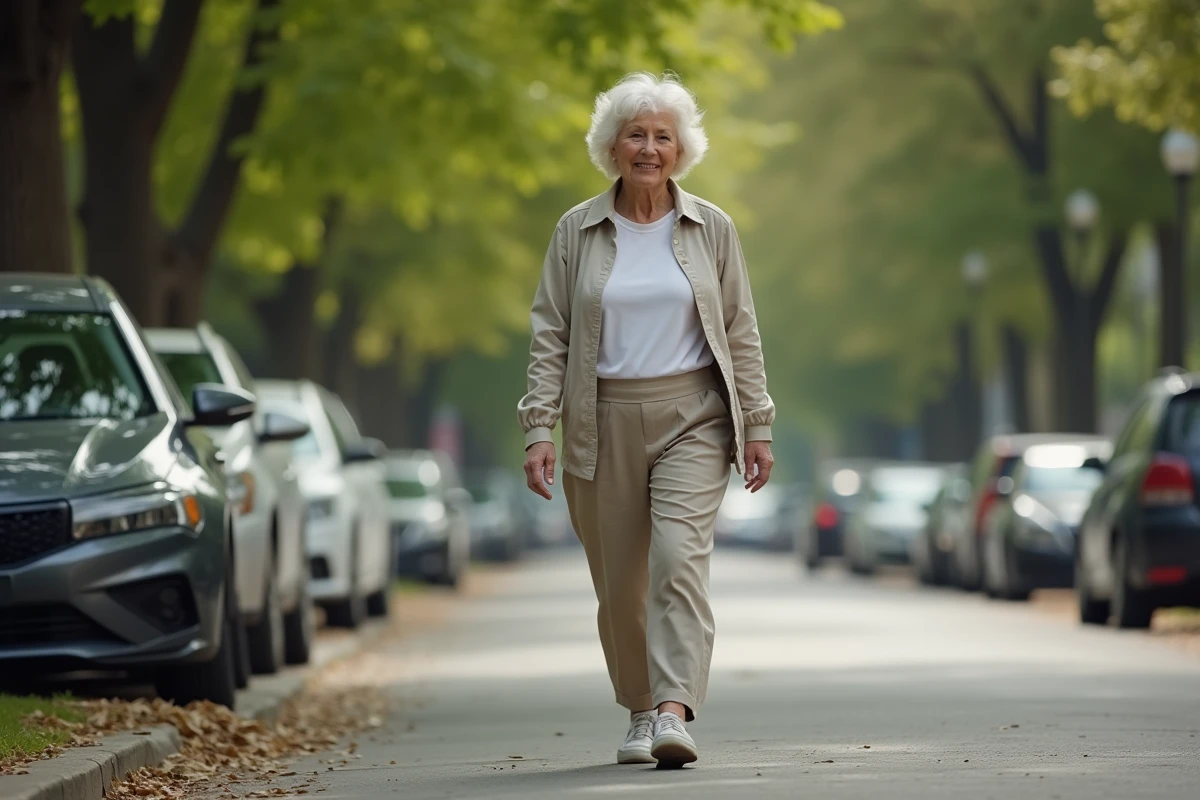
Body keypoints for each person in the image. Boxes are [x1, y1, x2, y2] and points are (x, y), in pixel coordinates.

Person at [517, 72, 775, 769]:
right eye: (636, 135)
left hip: (694, 416)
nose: (649, 149)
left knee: (677, 560)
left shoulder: (711, 228)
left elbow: (741, 331)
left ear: (681, 149)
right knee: (621, 585)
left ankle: (673, 710)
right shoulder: (576, 231)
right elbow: (550, 335)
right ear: (612, 146)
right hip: (599, 419)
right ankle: (639, 709)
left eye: (663, 136)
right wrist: (539, 427)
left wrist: (756, 423)